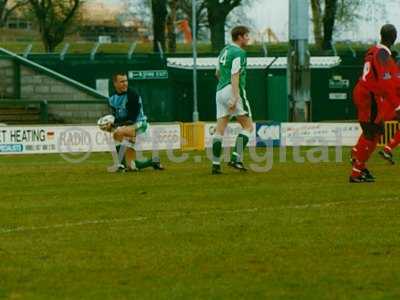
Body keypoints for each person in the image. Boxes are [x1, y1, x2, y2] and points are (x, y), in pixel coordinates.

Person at [350, 24, 400, 183]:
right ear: (394, 37)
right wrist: (397, 105)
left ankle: (357, 159)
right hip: (369, 95)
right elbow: (387, 83)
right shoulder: (383, 54)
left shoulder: (374, 50)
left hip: (363, 91)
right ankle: (356, 171)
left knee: (373, 131)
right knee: (372, 133)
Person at [211, 25, 254, 175]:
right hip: (232, 89)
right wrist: (235, 96)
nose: (248, 39)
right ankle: (236, 158)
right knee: (248, 127)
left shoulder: (224, 51)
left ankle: (215, 165)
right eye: (247, 36)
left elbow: (217, 73)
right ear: (240, 37)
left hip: (220, 90)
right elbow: (235, 74)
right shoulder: (239, 52)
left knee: (219, 129)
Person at [105, 72, 164, 172]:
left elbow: (131, 119)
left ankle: (120, 166)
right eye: (122, 81)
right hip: (129, 128)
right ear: (115, 83)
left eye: (126, 81)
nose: (125, 83)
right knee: (132, 167)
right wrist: (109, 124)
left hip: (141, 127)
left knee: (117, 133)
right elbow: (116, 116)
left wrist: (115, 125)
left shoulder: (132, 95)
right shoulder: (112, 98)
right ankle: (153, 161)